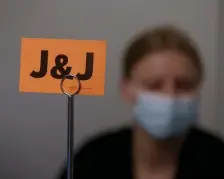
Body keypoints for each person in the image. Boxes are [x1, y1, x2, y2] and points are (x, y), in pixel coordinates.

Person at [56, 25, 224, 179]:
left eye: (183, 85)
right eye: (154, 86)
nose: (170, 96)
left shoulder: (218, 158)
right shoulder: (92, 159)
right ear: (126, 89)